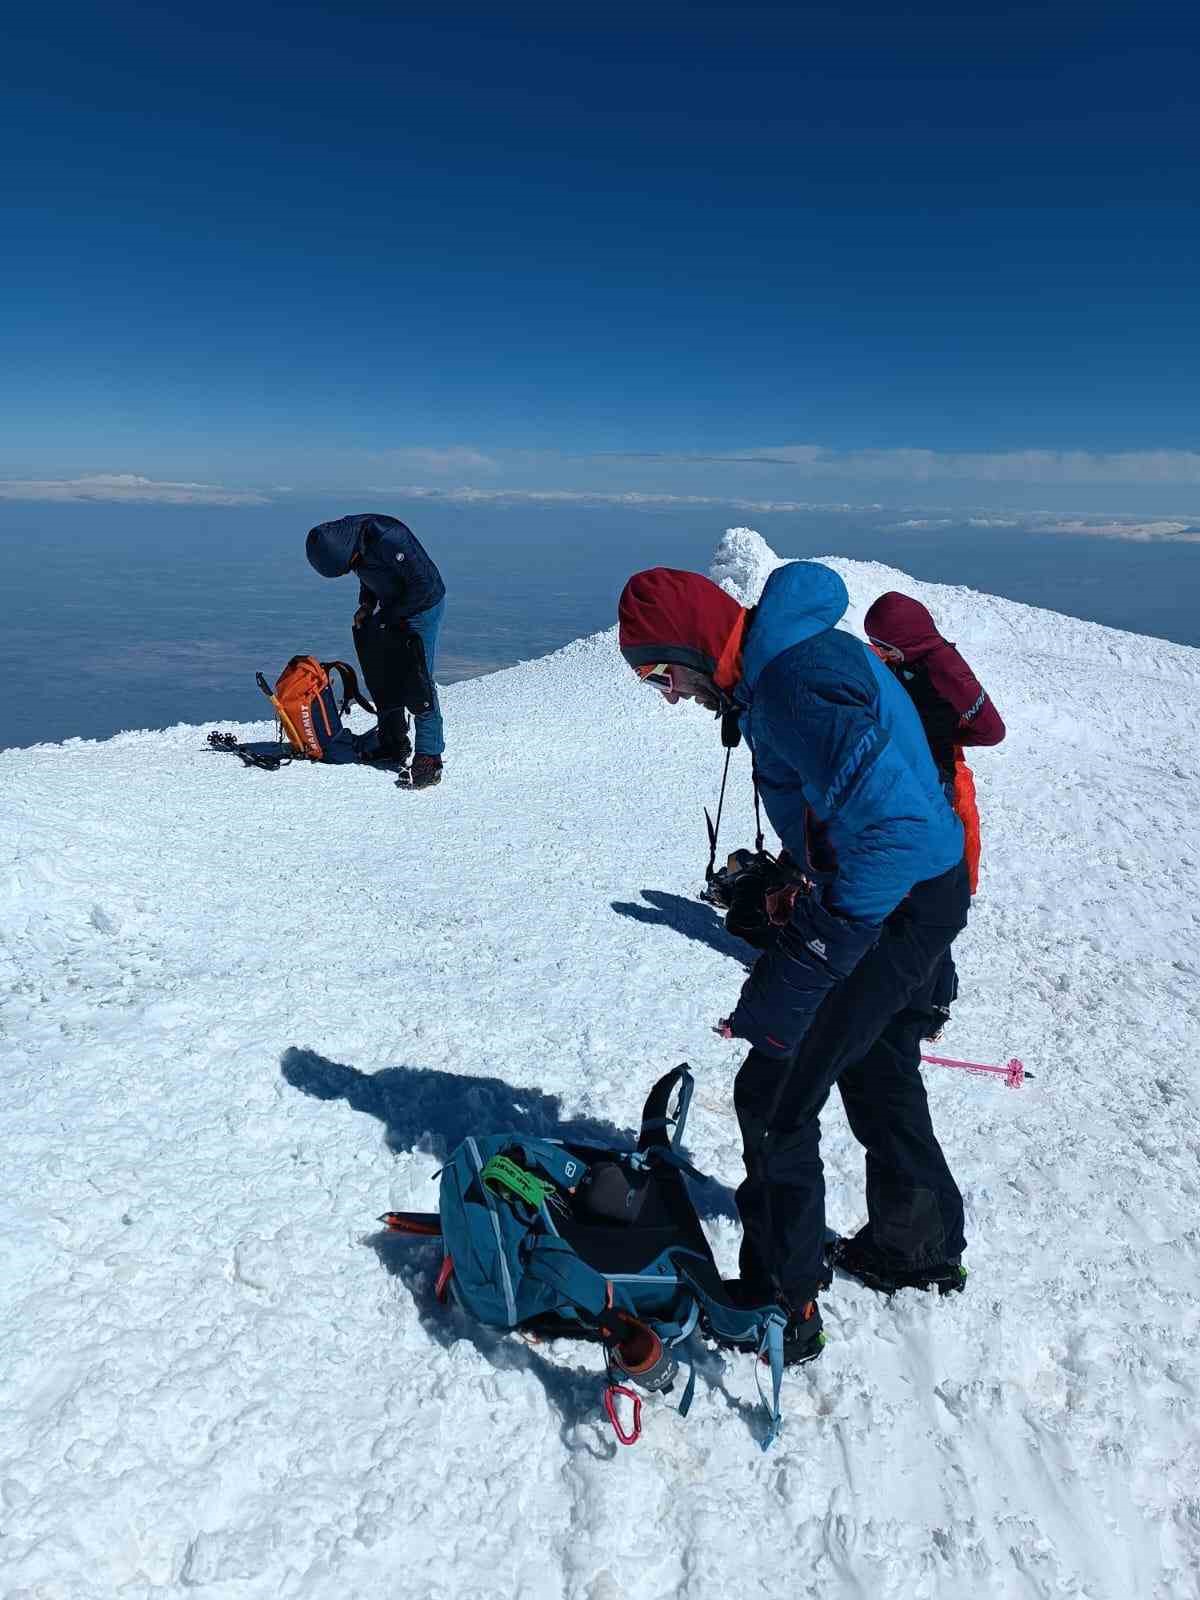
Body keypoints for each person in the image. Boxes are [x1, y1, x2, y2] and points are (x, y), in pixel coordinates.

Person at [618, 561, 971, 1365]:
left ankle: (782, 1302)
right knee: (876, 1065)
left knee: (774, 1093)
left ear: (693, 646)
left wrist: (814, 951)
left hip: (892, 903)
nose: (668, 695)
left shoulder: (795, 679)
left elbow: (893, 831)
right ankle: (913, 1246)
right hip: (916, 894)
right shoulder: (778, 670)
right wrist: (802, 879)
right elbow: (848, 799)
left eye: (660, 675)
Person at [863, 592, 1006, 1038]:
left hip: (935, 784)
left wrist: (942, 735)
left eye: (884, 645)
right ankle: (908, 993)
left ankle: (930, 1004)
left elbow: (992, 729)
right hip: (907, 776)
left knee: (928, 895)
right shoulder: (902, 661)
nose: (879, 652)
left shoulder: (944, 666)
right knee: (908, 892)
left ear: (905, 642)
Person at [305, 513, 447, 788]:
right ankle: (393, 742)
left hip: (422, 608)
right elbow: (368, 573)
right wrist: (368, 607)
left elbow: (424, 587)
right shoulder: (350, 543)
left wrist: (389, 615)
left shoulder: (388, 537)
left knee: (418, 682)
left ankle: (430, 757)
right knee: (384, 674)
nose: (353, 567)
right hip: (392, 607)